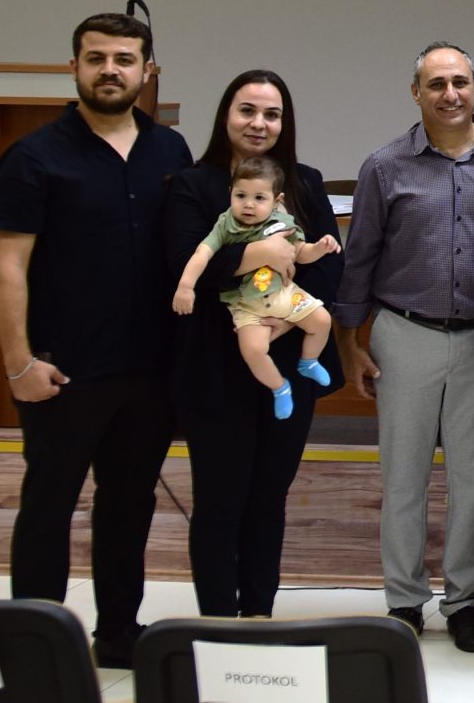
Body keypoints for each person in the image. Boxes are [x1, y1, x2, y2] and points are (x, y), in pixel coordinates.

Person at [0, 13, 190, 666]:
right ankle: (33, 646)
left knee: (128, 506)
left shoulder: (171, 152)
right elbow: (6, 266)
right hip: (63, 370)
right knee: (48, 505)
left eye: (124, 59)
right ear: (73, 66)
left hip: (149, 371)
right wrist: (18, 363)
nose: (110, 70)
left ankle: (118, 634)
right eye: (96, 57)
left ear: (146, 71)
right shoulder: (34, 156)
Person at [332, 41, 474, 652]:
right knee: (404, 477)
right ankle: (404, 600)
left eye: (460, 82)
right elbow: (359, 260)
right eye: (436, 84)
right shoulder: (384, 167)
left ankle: (464, 601)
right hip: (404, 333)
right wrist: (351, 344)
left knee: (473, 478)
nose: (450, 94)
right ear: (415, 92)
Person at [162, 70, 346, 620]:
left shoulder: (305, 183)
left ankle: (260, 616)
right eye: (247, 110)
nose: (259, 123)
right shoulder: (192, 185)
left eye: (272, 114)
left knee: (269, 498)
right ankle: (219, 622)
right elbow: (185, 266)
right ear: (226, 115)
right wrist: (259, 255)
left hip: (286, 364)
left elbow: (328, 271)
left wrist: (282, 323)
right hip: (214, 367)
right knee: (220, 502)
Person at [168, 156, 339, 418]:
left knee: (322, 320)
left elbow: (301, 253)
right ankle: (280, 387)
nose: (248, 204)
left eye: (259, 198)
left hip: (284, 294)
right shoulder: (226, 224)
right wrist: (185, 287)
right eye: (241, 196)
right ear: (230, 193)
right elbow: (202, 254)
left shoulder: (282, 222)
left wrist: (320, 248)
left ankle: (309, 361)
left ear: (277, 200)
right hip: (247, 303)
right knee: (253, 350)